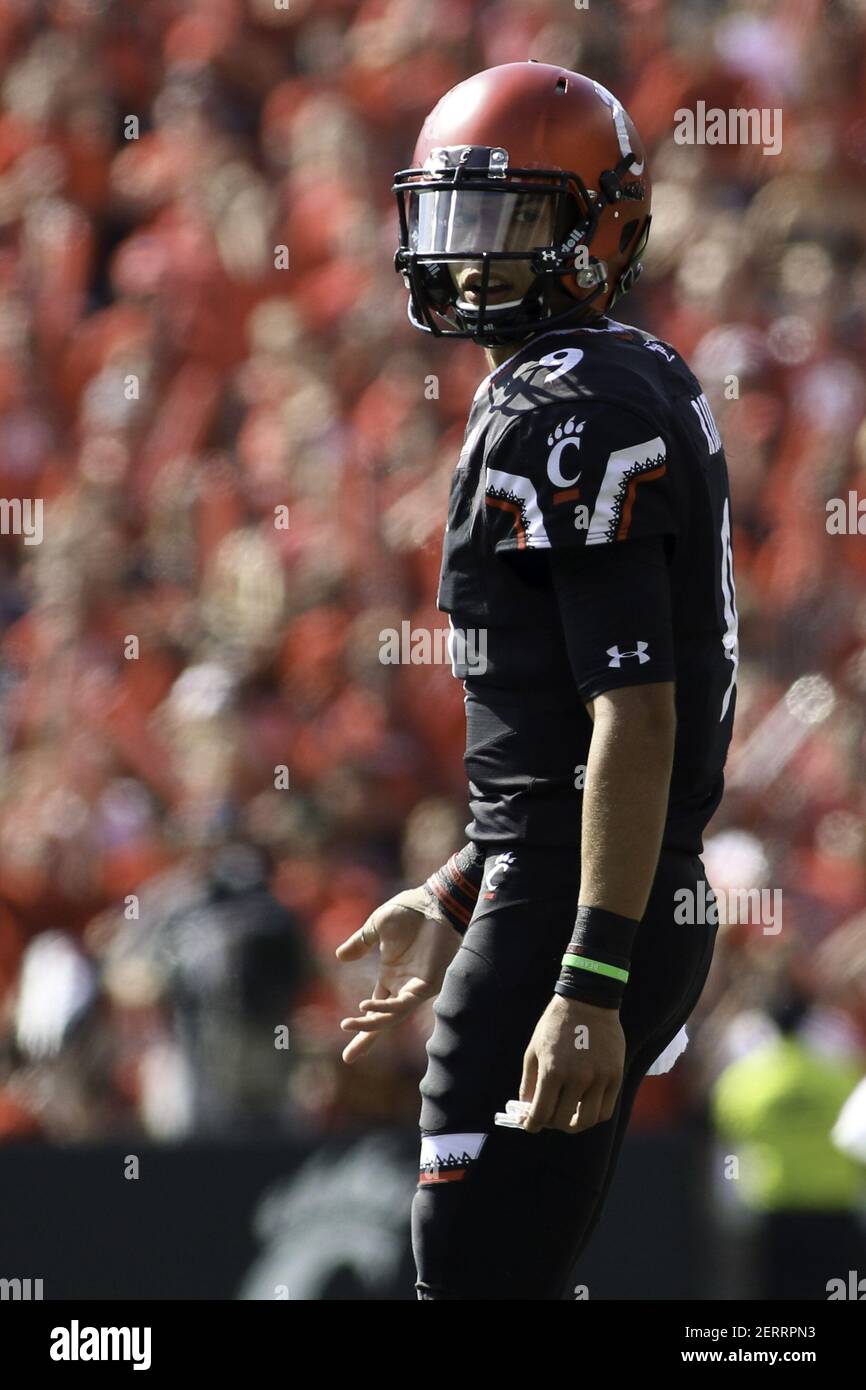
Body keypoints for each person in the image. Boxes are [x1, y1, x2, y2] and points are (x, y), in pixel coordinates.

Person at [336, 61, 737, 1300]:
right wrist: (459, 883)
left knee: (468, 1277)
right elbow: (560, 733)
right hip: (563, 886)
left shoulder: (569, 410)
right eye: (452, 216)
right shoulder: (614, 371)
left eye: (506, 219)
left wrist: (585, 978)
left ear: (592, 231)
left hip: (576, 913)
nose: (465, 256)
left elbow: (634, 711)